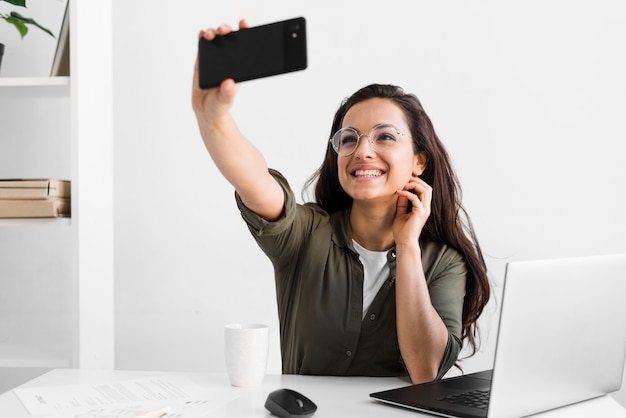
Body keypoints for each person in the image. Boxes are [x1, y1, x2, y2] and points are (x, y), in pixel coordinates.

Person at [192, 20, 490, 384]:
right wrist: (214, 119)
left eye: (385, 137)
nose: (363, 151)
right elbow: (255, 183)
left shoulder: (445, 262)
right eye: (348, 139)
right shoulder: (306, 234)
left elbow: (425, 370)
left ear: (419, 161)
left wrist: (407, 244)